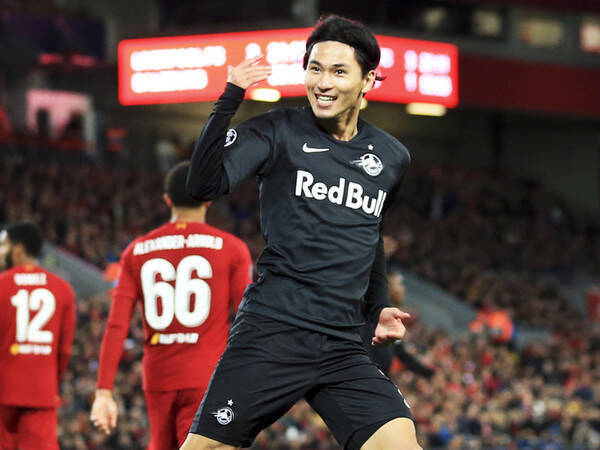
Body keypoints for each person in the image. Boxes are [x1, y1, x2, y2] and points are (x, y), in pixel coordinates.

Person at [183, 15, 421, 450]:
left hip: (343, 343)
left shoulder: (392, 156)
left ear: (368, 80)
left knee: (401, 444)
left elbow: (371, 235)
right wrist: (230, 96)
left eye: (338, 71)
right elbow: (202, 186)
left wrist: (378, 307)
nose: (323, 83)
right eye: (315, 69)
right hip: (274, 330)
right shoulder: (278, 130)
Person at [90, 161, 252, 449]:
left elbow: (116, 325)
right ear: (209, 198)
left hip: (158, 378)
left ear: (167, 200)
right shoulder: (232, 249)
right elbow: (247, 318)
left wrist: (104, 391)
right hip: (208, 375)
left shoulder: (136, 251)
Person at [0, 222, 76, 449]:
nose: (1, 252)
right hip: (42, 393)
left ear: (18, 250)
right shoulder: (62, 288)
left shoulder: (2, 285)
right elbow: (64, 351)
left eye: (4, 246)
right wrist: (51, 380)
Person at [363, 272, 434, 379]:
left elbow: (402, 354)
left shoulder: (395, 319)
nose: (402, 289)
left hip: (378, 374)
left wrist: (428, 372)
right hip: (364, 368)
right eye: (398, 284)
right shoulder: (372, 307)